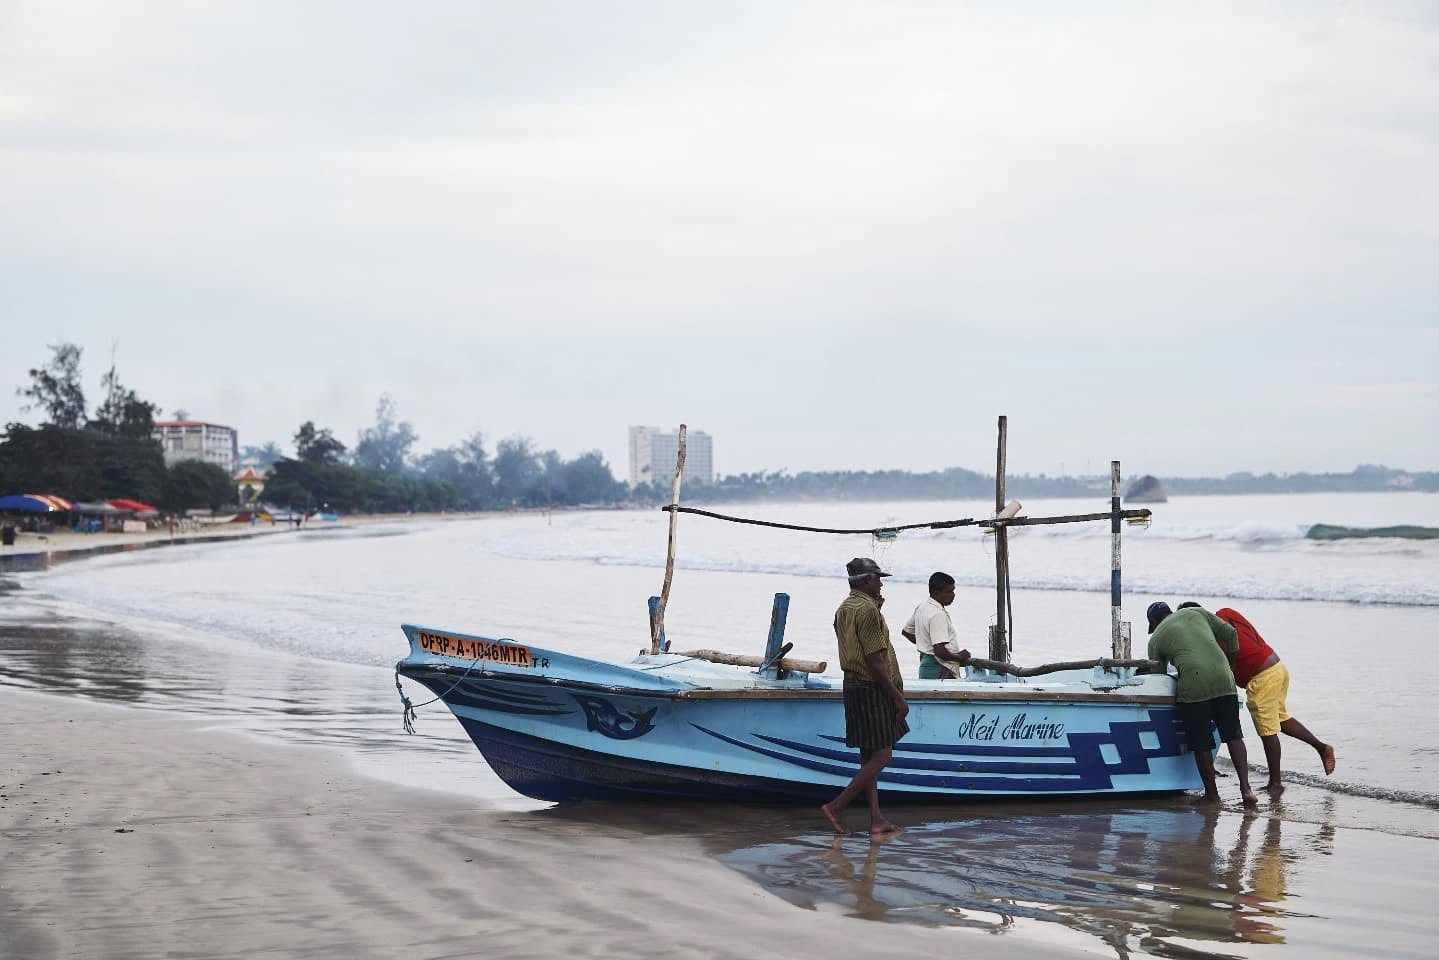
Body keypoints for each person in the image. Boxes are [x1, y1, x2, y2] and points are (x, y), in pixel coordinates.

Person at [1185, 603, 1336, 792]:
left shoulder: (1210, 638)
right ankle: (1321, 747)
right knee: (1279, 719)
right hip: (1277, 666)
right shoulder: (1227, 613)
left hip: (1261, 676)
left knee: (1267, 730)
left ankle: (1276, 783)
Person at [821, 557, 908, 836]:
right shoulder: (868, 611)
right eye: (878, 579)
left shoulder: (844, 608)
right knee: (882, 755)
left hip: (853, 686)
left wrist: (877, 608)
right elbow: (875, 659)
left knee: (868, 757)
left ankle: (876, 820)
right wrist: (896, 695)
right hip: (873, 688)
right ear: (867, 580)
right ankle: (836, 806)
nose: (881, 583)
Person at [1147, 601, 1259, 807]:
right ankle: (1246, 790)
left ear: (1153, 622)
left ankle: (1212, 795)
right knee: (1234, 736)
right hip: (1224, 679)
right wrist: (1230, 664)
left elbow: (1158, 677)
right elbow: (1231, 634)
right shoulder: (1196, 612)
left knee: (1201, 743)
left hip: (1194, 686)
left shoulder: (1156, 639)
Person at [901, 572, 972, 678]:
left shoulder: (922, 607)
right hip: (940, 667)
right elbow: (940, 651)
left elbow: (906, 632)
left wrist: (926, 646)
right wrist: (959, 657)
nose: (953, 595)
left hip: (926, 666)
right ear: (936, 593)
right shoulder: (938, 614)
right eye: (949, 591)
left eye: (953, 590)